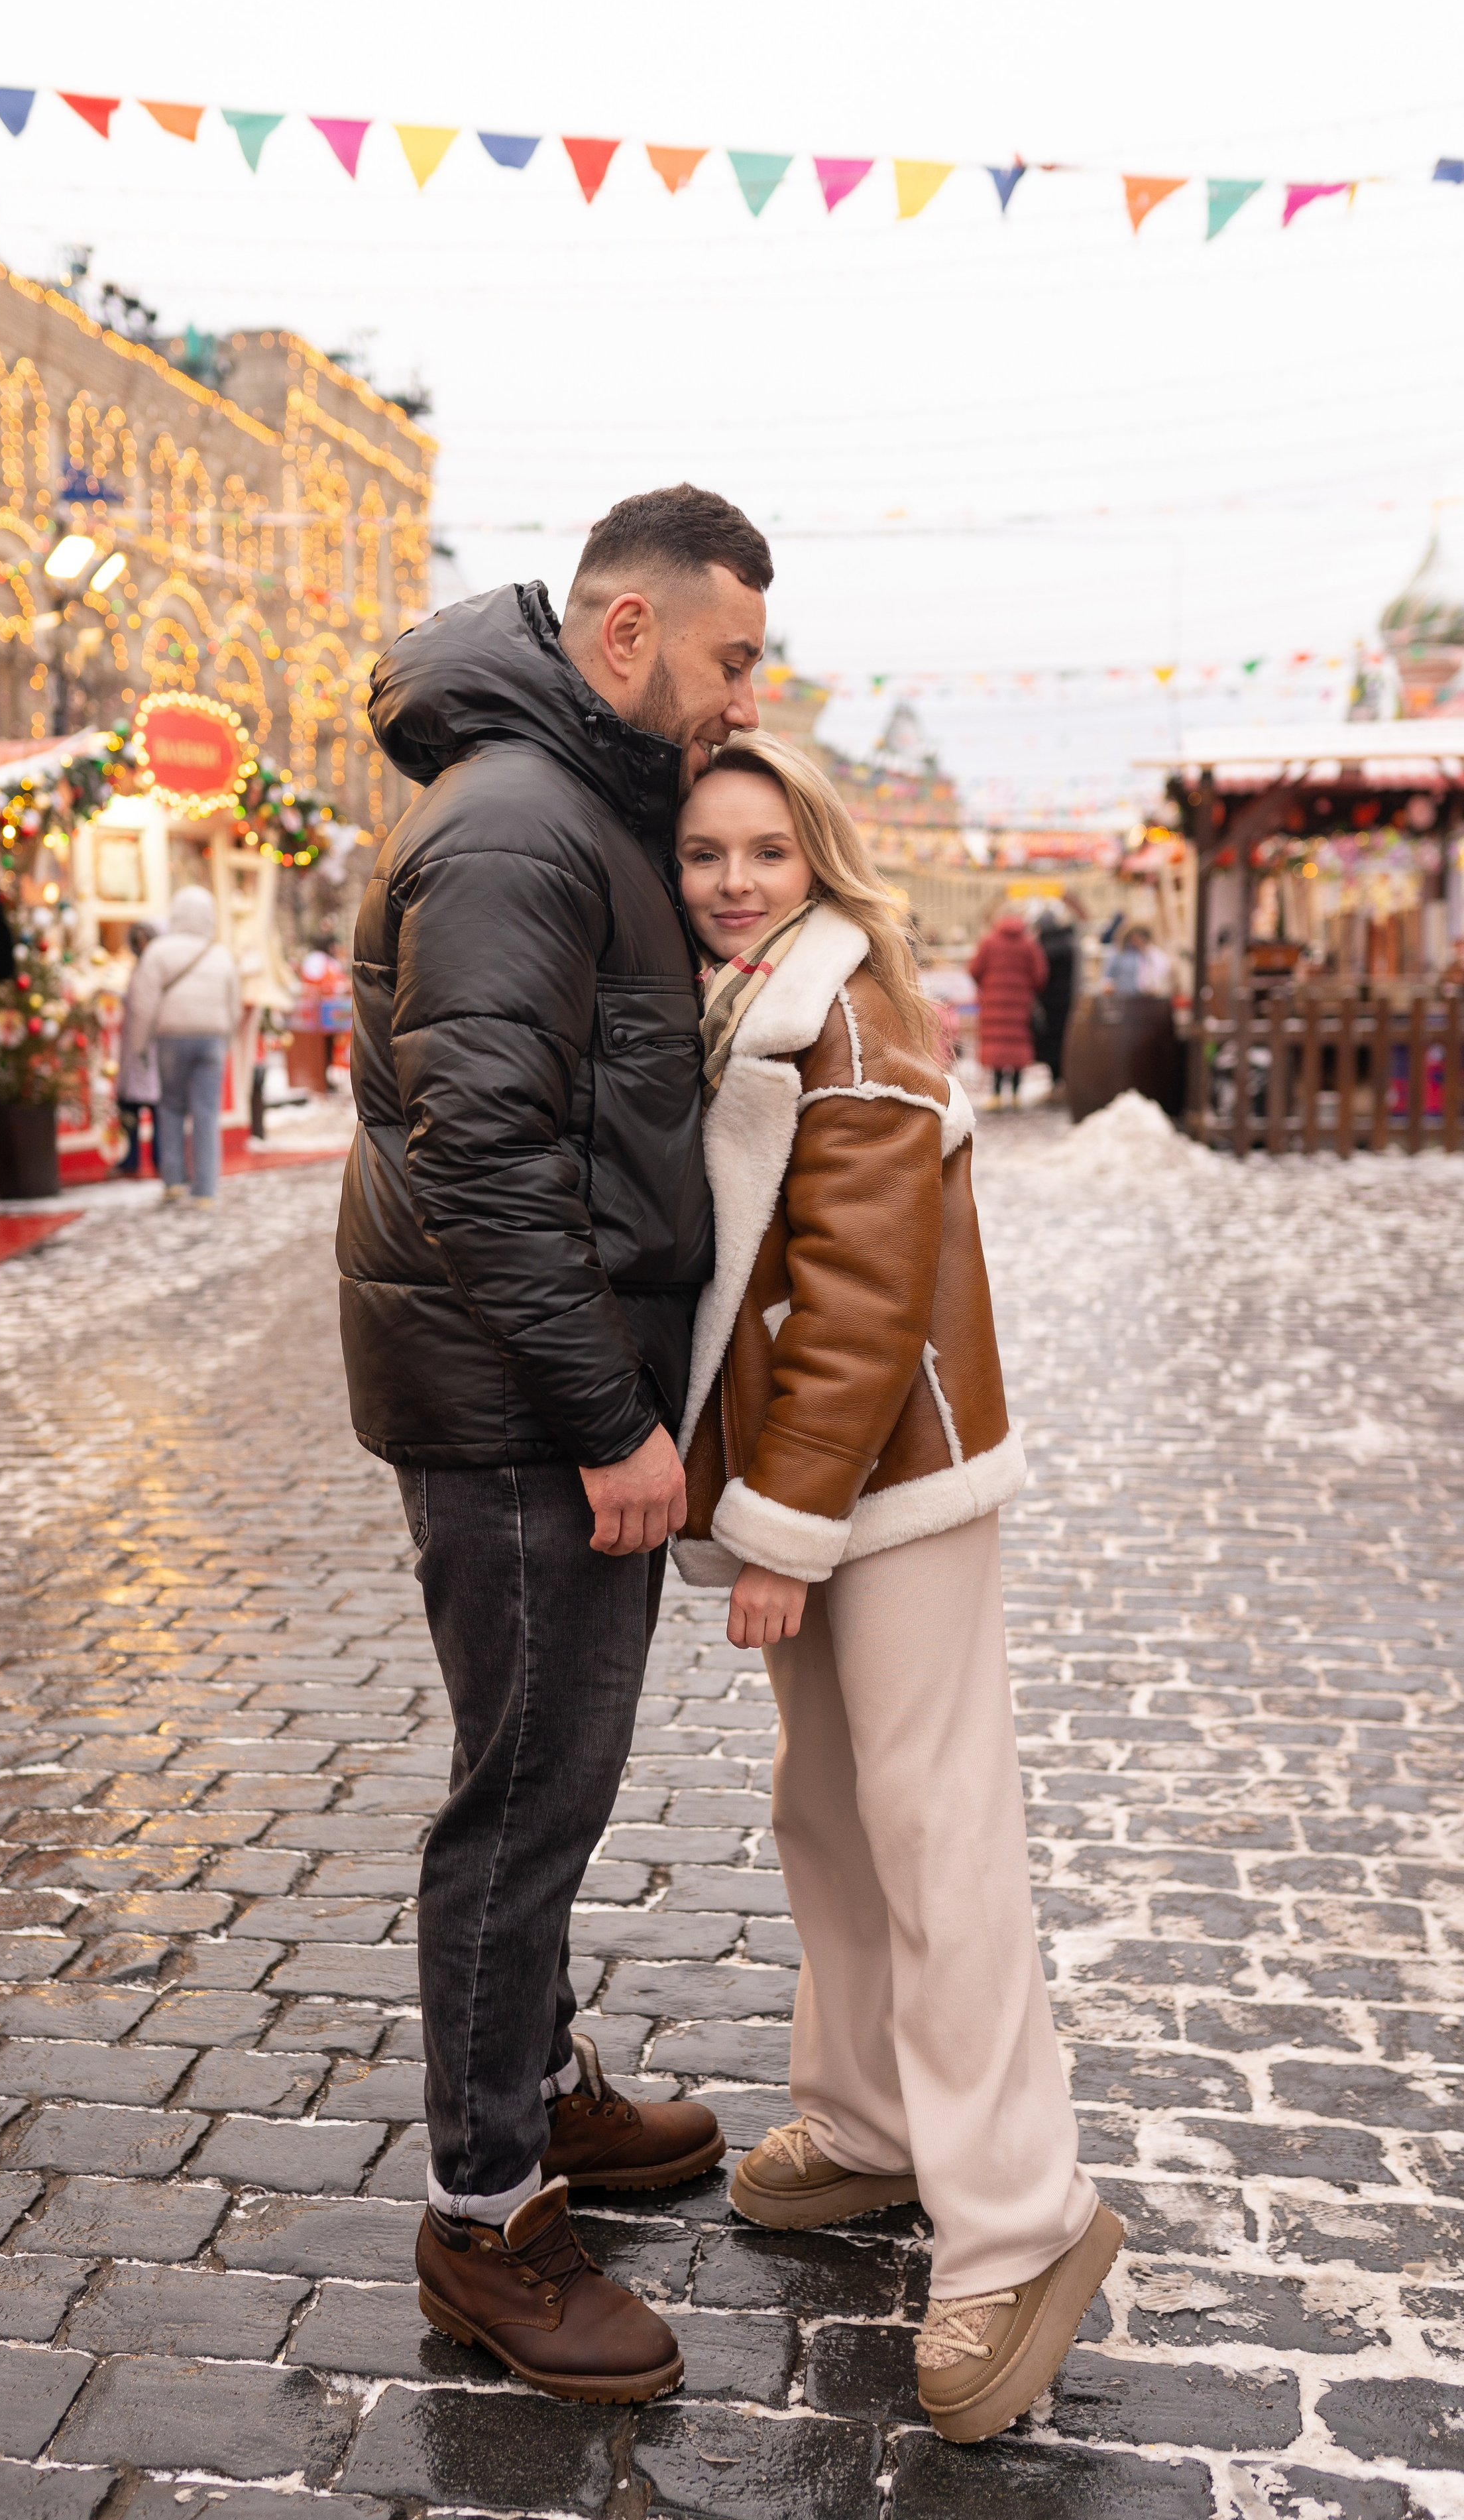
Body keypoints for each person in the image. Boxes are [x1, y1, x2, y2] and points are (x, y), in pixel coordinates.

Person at [339, 485, 773, 2403]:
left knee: (553, 1783)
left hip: (538, 1391)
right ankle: (485, 2212)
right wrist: (612, 1420)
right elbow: (488, 1157)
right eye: (729, 655)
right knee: (523, 1803)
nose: (739, 694)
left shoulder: (565, 799)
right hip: (528, 1412)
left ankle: (539, 2083)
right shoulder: (520, 821)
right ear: (624, 636)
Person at [671, 730, 1122, 2446]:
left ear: (822, 857)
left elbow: (861, 1301)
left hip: (896, 1481)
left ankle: (1021, 2220)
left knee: (936, 1829)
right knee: (833, 1814)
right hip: (827, 1472)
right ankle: (867, 2121)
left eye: (763, 852)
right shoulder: (752, 996)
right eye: (706, 851)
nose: (730, 881)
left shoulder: (842, 1015)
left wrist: (780, 1532)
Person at [126, 884, 238, 1205]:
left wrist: (138, 1046)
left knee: (172, 1107)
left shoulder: (158, 952)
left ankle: (173, 1182)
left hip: (172, 1039)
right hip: (211, 1040)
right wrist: (225, 1041)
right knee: (206, 1114)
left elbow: (142, 1004)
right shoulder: (221, 954)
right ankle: (205, 1190)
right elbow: (233, 1006)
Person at [969, 906, 1047, 1106]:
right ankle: (1014, 1094)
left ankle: (995, 1094)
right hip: (1020, 1003)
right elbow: (1040, 976)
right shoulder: (1029, 944)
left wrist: (988, 985)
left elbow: (974, 969)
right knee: (1016, 1046)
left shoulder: (989, 941)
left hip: (993, 1003)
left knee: (997, 1046)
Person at [115, 917, 161, 1178]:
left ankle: (158, 1157)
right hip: (136, 1048)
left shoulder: (155, 969)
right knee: (130, 1106)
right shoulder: (139, 968)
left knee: (156, 1107)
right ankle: (130, 1158)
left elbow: (146, 1005)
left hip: (148, 1046)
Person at [1034, 903, 1077, 1087]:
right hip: (1068, 1000)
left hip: (1048, 1001)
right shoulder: (1069, 943)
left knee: (1051, 1042)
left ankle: (1056, 1079)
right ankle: (1064, 1078)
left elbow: (1039, 976)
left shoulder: (1042, 947)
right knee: (1064, 1039)